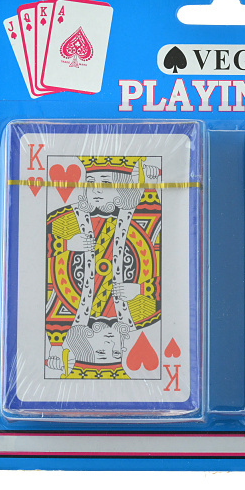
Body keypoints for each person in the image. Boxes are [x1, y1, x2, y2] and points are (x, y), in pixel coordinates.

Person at [44, 156, 161, 378]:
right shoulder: (144, 314)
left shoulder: (64, 315)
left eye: (106, 183)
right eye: (91, 183)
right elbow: (173, 284)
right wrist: (141, 289)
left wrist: (56, 347)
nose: (109, 345)